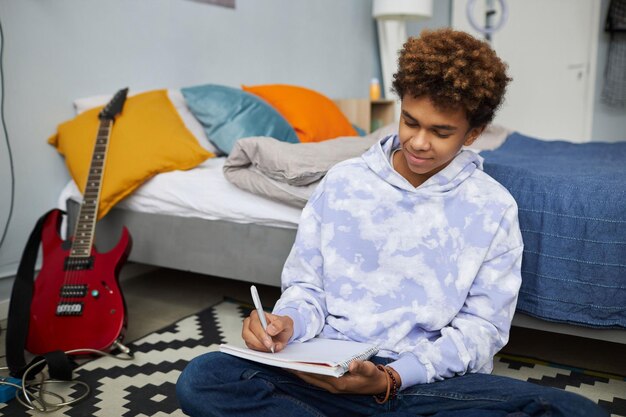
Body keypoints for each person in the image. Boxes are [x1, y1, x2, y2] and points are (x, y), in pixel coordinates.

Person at [176, 29, 608, 417]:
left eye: (441, 132)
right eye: (411, 122)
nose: (419, 142)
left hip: (424, 383)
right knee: (206, 377)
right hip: (325, 372)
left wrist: (392, 379)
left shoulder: (492, 206)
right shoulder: (342, 182)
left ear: (473, 133)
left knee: (568, 409)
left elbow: (483, 329)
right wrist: (288, 322)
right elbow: (307, 288)